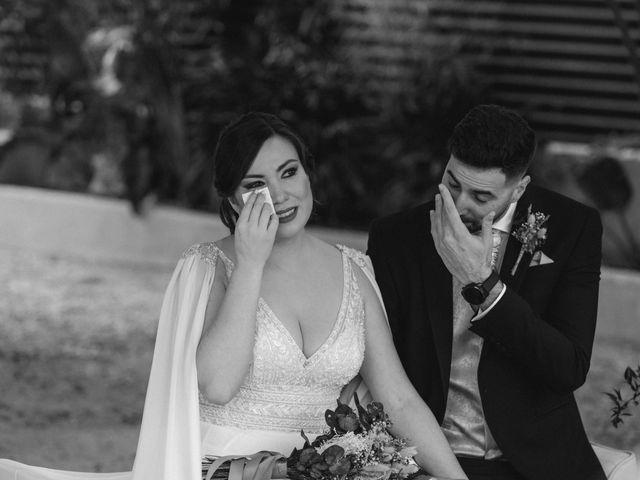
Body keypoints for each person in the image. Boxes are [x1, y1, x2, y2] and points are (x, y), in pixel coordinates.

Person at [0, 112, 467, 480]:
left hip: (325, 473)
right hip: (223, 471)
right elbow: (218, 386)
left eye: (289, 172)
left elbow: (399, 400)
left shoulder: (354, 269)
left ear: (308, 175)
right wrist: (250, 264)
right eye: (255, 185)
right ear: (231, 199)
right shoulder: (207, 267)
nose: (280, 195)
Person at [367, 104, 607, 480]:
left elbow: (569, 367)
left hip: (535, 461)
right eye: (453, 183)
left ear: (520, 188)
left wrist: (483, 283)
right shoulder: (394, 238)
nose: (459, 204)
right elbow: (383, 369)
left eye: (481, 197)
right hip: (425, 459)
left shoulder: (573, 227)